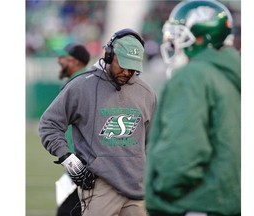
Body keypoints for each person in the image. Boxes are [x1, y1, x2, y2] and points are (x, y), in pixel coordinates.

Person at [39, 28, 157, 216]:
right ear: (109, 55)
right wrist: (69, 160)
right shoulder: (81, 86)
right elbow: (49, 124)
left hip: (138, 190)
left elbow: (153, 142)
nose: (127, 72)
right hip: (99, 187)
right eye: (123, 65)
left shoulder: (147, 93)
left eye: (133, 67)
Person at [144, 0, 241, 216]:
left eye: (179, 34)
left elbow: (182, 153)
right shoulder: (230, 75)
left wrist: (163, 188)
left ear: (200, 35)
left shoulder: (193, 76)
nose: (173, 42)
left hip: (198, 204)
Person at [54, 43, 90, 216]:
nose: (59, 61)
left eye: (63, 57)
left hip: (83, 164)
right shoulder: (83, 81)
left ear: (75, 61)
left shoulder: (80, 83)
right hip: (79, 162)